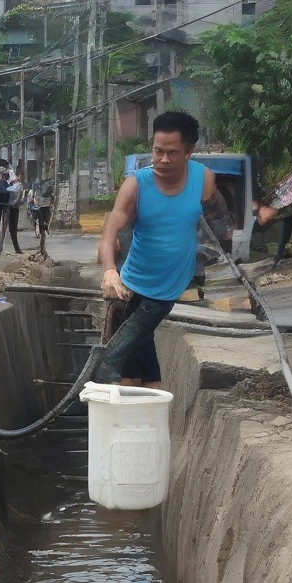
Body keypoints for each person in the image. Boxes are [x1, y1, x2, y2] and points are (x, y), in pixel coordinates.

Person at [97, 111, 226, 388]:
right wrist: (109, 271)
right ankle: (148, 409)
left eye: (172, 153)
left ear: (190, 151)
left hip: (170, 285)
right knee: (136, 356)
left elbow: (217, 226)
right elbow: (110, 232)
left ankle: (122, 401)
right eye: (157, 151)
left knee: (115, 357)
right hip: (132, 282)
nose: (163, 160)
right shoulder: (136, 185)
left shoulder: (204, 180)